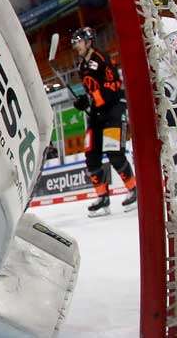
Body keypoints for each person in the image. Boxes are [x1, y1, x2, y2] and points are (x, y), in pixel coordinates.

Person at [71, 27, 137, 216]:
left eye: (79, 41)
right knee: (91, 154)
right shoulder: (81, 66)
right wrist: (84, 101)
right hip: (96, 115)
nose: (76, 45)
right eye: (74, 42)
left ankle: (134, 189)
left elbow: (114, 85)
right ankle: (103, 197)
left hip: (113, 111)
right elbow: (90, 91)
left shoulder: (101, 58)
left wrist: (99, 99)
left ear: (89, 41)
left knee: (114, 153)